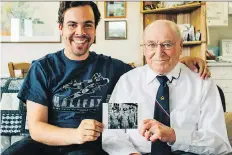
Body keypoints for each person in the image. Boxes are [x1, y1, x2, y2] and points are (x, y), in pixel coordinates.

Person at [2, 1, 210, 155]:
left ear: (95, 30)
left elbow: (151, 68)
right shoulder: (43, 67)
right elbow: (37, 128)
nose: (80, 32)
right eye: (72, 24)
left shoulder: (112, 67)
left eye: (88, 25)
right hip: (44, 144)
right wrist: (75, 134)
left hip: (88, 147)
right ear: (61, 28)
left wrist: (182, 59)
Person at [103, 20, 232, 155]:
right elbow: (113, 136)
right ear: (144, 48)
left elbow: (219, 144)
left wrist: (174, 136)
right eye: (152, 44)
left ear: (181, 46)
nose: (159, 53)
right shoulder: (128, 82)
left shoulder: (201, 83)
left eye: (167, 44)